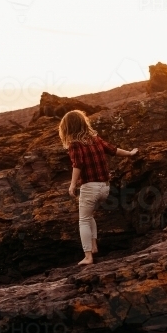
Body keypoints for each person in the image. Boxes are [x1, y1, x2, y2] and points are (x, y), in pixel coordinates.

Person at [58, 110, 138, 265]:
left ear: (67, 128)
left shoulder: (75, 145)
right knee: (89, 216)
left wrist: (73, 184)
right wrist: (130, 153)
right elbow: (113, 150)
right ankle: (94, 246)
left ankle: (88, 256)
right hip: (105, 188)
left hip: (90, 188)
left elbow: (78, 164)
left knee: (83, 220)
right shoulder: (95, 139)